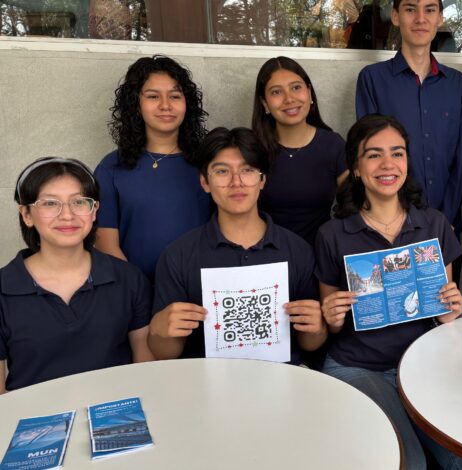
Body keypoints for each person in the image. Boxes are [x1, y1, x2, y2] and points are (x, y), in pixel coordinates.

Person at [316, 114, 462, 469]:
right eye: (374, 155)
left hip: (422, 364)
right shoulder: (332, 234)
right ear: (356, 168)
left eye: (397, 153)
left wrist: (450, 310)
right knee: (407, 463)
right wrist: (331, 315)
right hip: (357, 366)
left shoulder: (433, 224)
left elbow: (443, 316)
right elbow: (330, 326)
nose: (388, 164)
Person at [148, 127, 325, 363]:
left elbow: (310, 344)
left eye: (247, 170)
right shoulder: (178, 256)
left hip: (282, 377)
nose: (236, 182)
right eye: (222, 171)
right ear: (205, 182)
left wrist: (317, 328)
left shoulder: (298, 250)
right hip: (204, 380)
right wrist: (159, 330)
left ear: (262, 180)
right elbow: (165, 353)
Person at [0, 157, 154, 393]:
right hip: (35, 416)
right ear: (26, 214)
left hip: (116, 413)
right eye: (50, 203)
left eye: (79, 202)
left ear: (94, 211)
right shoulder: (4, 288)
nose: (67, 215)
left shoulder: (129, 279)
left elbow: (146, 369)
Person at [355, 0, 462, 272]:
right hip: (391, 231)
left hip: (446, 229)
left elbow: (461, 158)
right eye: (410, 9)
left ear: (440, 18)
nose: (420, 18)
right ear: (395, 16)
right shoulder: (373, 79)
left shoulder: (456, 83)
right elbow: (370, 158)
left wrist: (446, 220)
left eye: (429, 9)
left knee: (446, 300)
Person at [94, 55, 211, 280]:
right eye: (153, 96)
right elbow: (105, 244)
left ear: (187, 104)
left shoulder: (209, 164)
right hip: (133, 289)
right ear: (136, 105)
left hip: (199, 288)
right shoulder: (111, 167)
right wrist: (137, 291)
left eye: (175, 96)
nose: (165, 105)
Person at [252, 57, 348, 246]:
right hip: (266, 254)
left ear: (309, 93)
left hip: (320, 253)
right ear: (264, 103)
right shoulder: (252, 148)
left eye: (296, 88)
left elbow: (353, 204)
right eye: (276, 92)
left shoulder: (333, 145)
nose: (289, 99)